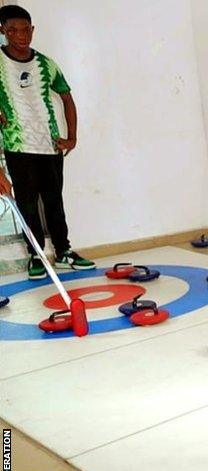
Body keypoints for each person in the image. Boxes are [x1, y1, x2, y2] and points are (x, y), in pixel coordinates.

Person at [0, 5, 92, 280]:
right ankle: (36, 255)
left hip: (49, 146)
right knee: (27, 202)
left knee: (54, 201)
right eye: (13, 29)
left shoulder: (45, 63)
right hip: (18, 147)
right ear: (3, 31)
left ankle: (64, 252)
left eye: (26, 29)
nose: (21, 35)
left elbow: (66, 97)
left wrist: (72, 137)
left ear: (33, 30)